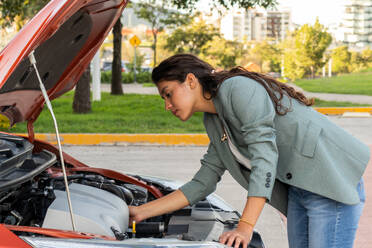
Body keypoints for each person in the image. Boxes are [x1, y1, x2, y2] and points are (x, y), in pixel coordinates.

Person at [128, 54, 369, 248]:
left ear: (191, 81)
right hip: (300, 189)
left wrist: (245, 226)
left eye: (168, 94)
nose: (167, 105)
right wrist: (140, 212)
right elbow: (203, 182)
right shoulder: (214, 120)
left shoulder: (238, 89)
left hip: (328, 181)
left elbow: (265, 157)